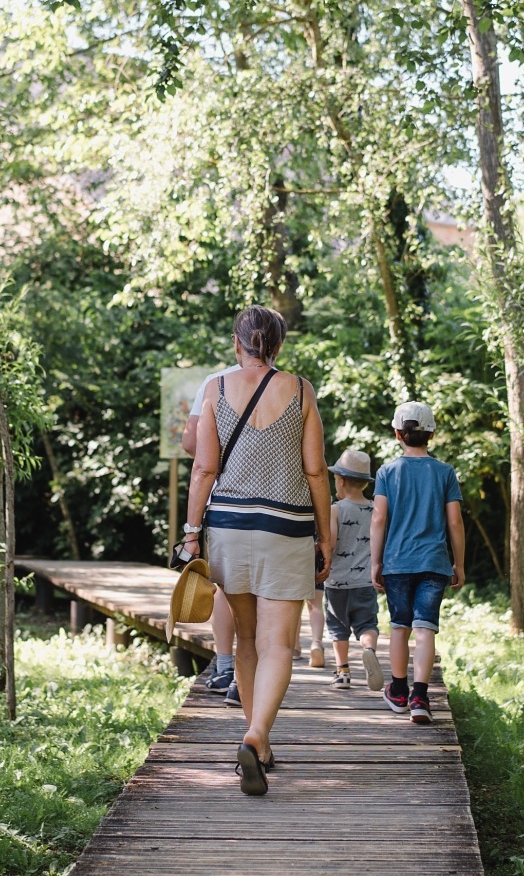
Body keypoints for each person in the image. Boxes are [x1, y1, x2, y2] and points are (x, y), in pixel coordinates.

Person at [179, 305, 333, 795]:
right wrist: (325, 536)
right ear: (279, 345)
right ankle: (256, 736)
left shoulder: (215, 389)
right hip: (286, 528)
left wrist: (190, 531)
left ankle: (258, 743)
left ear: (236, 342)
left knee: (246, 641)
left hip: (228, 528)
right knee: (278, 646)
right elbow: (316, 472)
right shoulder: (301, 390)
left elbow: (204, 468)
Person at [369, 402, 465, 725]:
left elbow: (379, 518)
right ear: (431, 434)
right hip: (434, 563)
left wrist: (375, 562)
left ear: (398, 434)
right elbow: (455, 523)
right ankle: (420, 697)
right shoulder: (445, 473)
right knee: (425, 629)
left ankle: (397, 691)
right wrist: (459, 563)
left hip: (396, 563)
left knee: (400, 627)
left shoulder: (387, 472)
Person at [181, 363, 241, 704]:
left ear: (238, 343)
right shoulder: (290, 386)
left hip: (224, 503)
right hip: (276, 508)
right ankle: (251, 677)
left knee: (225, 586)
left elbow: (191, 442)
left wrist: (218, 463)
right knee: (264, 592)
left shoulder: (215, 383)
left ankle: (225, 667)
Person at [323, 448, 383, 692]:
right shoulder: (375, 510)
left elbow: (332, 542)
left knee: (338, 627)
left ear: (341, 480)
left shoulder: (336, 509)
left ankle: (343, 672)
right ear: (365, 485)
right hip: (365, 581)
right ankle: (368, 650)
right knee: (367, 624)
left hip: (338, 582)